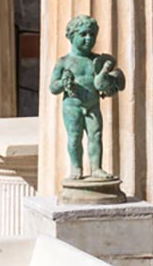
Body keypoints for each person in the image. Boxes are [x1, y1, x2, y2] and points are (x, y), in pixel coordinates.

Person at [49, 15, 126, 181]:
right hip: (72, 105)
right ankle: (76, 168)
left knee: (96, 136)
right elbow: (53, 88)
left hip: (93, 105)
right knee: (75, 137)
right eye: (83, 34)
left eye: (92, 34)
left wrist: (110, 82)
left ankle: (97, 168)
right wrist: (63, 83)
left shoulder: (97, 61)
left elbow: (104, 83)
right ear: (71, 36)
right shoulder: (64, 62)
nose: (89, 38)